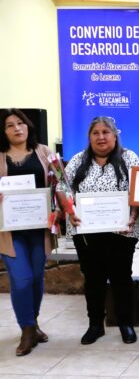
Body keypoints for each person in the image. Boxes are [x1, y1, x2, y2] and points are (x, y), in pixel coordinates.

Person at [65, 116, 139, 345]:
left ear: (115, 135)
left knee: (122, 279)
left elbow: (138, 191)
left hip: (122, 231)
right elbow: (62, 188)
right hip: (87, 234)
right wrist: (69, 210)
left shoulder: (129, 158)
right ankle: (95, 325)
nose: (101, 137)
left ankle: (125, 324)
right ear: (89, 137)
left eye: (105, 132)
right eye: (95, 133)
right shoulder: (78, 161)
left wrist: (133, 216)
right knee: (93, 280)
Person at [0, 109, 54, 356]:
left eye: (20, 123)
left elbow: (60, 183)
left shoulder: (45, 152)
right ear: (4, 131)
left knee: (36, 279)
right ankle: (26, 330)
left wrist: (65, 207)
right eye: (10, 125)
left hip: (39, 229)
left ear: (28, 126)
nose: (17, 128)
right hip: (10, 232)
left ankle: (33, 323)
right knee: (21, 280)